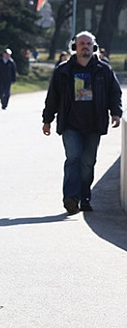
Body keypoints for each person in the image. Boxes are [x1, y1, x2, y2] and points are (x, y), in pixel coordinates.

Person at [42, 31, 122, 214]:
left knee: (88, 162)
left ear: (93, 46)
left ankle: (84, 197)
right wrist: (47, 120)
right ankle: (71, 197)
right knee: (73, 158)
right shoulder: (63, 71)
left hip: (94, 124)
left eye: (88, 43)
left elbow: (114, 93)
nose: (85, 46)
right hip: (71, 125)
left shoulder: (104, 70)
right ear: (74, 47)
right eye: (81, 43)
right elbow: (52, 97)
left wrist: (116, 113)